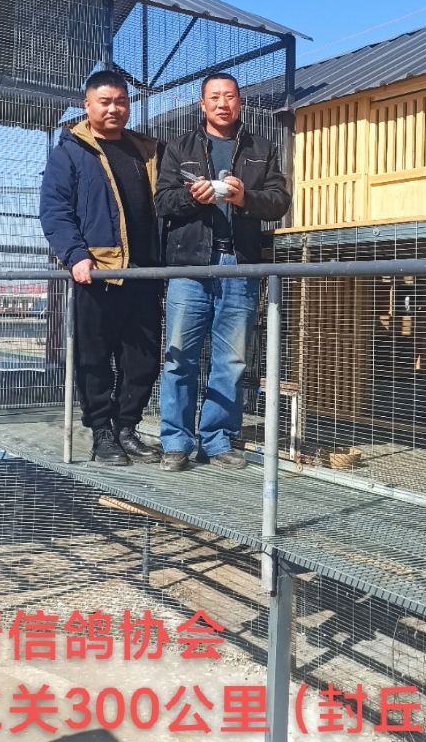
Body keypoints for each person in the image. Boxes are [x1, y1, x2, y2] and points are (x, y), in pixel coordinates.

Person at [155, 73, 291, 472]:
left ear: (239, 102)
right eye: (214, 97)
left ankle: (217, 440)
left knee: (231, 361)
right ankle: (176, 442)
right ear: (202, 104)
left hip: (239, 264)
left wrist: (245, 197)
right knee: (179, 358)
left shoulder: (261, 149)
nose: (222, 103)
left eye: (229, 96)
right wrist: (191, 197)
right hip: (189, 266)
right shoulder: (179, 148)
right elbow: (162, 201)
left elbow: (279, 201)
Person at [40, 70, 162, 466]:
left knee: (143, 359)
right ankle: (102, 433)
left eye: (121, 101)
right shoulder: (70, 152)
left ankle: (127, 427)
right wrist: (76, 255)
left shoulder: (146, 151)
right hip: (98, 272)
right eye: (105, 102)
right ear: (87, 105)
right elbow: (55, 210)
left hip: (145, 271)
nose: (114, 109)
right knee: (94, 358)